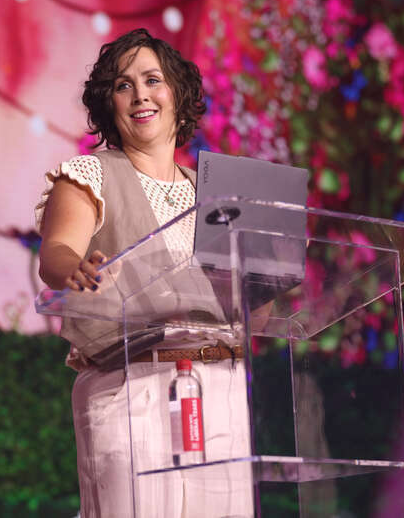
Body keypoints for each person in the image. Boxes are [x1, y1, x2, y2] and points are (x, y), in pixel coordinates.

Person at [35, 29, 253, 517]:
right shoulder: (91, 174)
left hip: (221, 388)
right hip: (131, 389)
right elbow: (57, 253)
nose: (139, 95)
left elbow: (250, 290)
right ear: (108, 103)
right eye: (122, 85)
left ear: (177, 93)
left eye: (152, 80)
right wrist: (76, 267)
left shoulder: (216, 197)